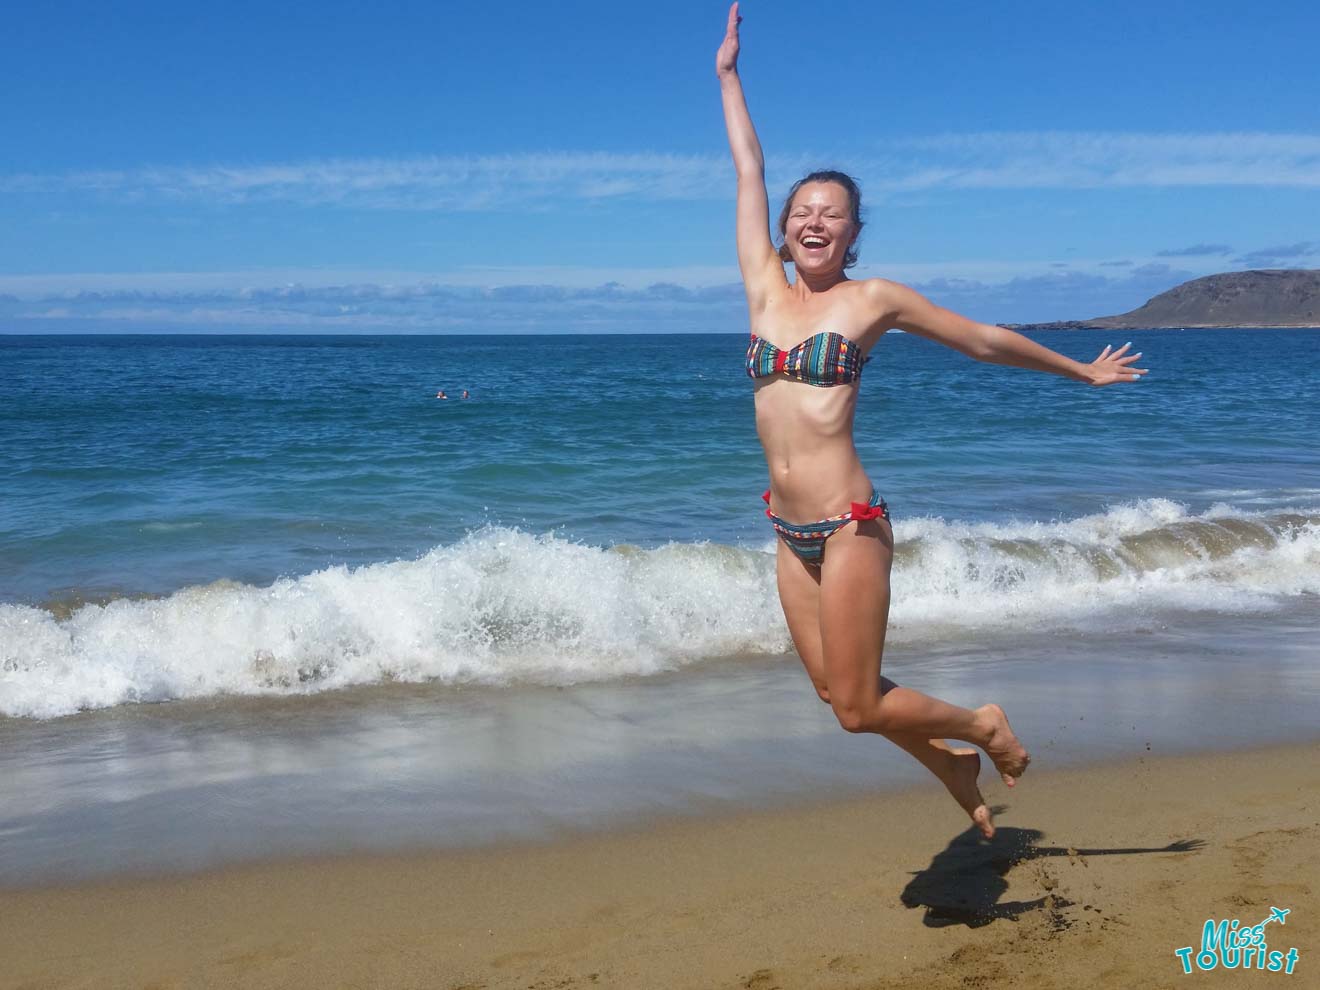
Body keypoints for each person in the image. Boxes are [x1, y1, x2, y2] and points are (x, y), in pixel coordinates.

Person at [716, 3, 1147, 839]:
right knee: (840, 698)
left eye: (831, 213)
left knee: (856, 703)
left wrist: (1078, 369)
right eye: (802, 209)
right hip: (788, 533)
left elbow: (981, 339)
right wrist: (729, 76)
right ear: (783, 227)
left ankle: (980, 726)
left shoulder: (873, 301)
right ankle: (950, 762)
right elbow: (745, 166)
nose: (812, 220)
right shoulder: (762, 290)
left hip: (850, 526)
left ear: (851, 234)